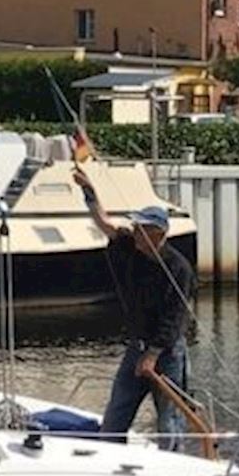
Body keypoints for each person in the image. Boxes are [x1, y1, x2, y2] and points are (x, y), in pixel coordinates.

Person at [73, 164, 196, 448]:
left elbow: (174, 318)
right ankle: (111, 455)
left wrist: (153, 355)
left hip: (166, 352)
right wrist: (88, 191)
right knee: (117, 413)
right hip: (136, 347)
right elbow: (104, 222)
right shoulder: (130, 247)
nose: (135, 232)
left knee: (169, 420)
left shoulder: (178, 270)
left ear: (158, 233)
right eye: (136, 227)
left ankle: (171, 464)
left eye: (142, 229)